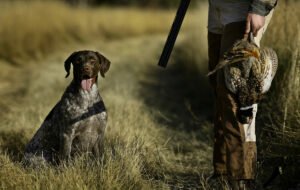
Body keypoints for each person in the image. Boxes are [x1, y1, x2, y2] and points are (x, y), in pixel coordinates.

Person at [207, 0, 277, 189]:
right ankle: (222, 172)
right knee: (219, 88)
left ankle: (242, 178)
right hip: (217, 8)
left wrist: (260, 7)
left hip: (242, 10)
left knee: (237, 93)